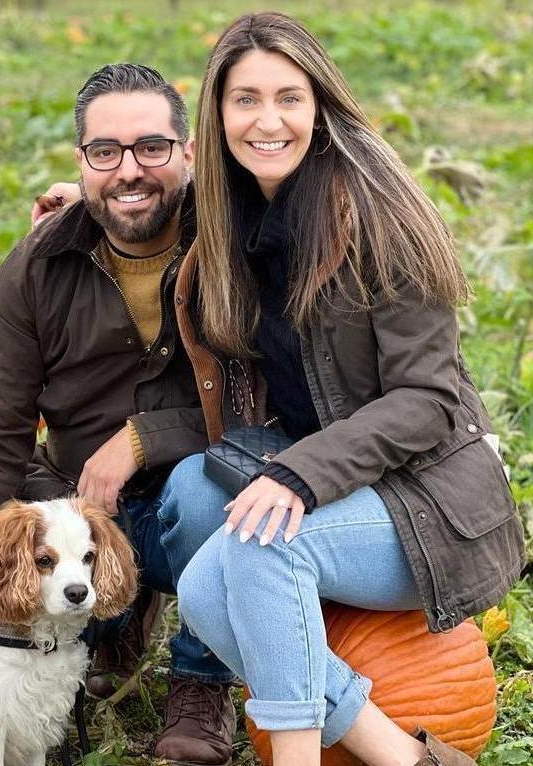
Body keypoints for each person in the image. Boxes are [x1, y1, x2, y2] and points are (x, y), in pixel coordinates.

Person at [164, 12, 526, 766]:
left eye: (289, 98)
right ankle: (400, 757)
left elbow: (426, 400)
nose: (268, 121)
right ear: (218, 113)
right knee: (202, 592)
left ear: (320, 105)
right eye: (246, 100)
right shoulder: (234, 207)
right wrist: (82, 199)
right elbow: (143, 201)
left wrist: (301, 473)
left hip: (430, 501)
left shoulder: (378, 213)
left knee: (262, 548)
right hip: (352, 489)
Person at [0, 63, 238, 765]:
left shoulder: (235, 251)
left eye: (151, 148)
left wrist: (142, 437)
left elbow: (274, 407)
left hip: (194, 497)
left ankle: (201, 680)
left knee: (207, 491)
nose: (129, 170)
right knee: (28, 545)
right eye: (106, 152)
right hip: (76, 508)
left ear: (190, 153)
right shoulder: (38, 265)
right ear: (82, 162)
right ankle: (113, 615)